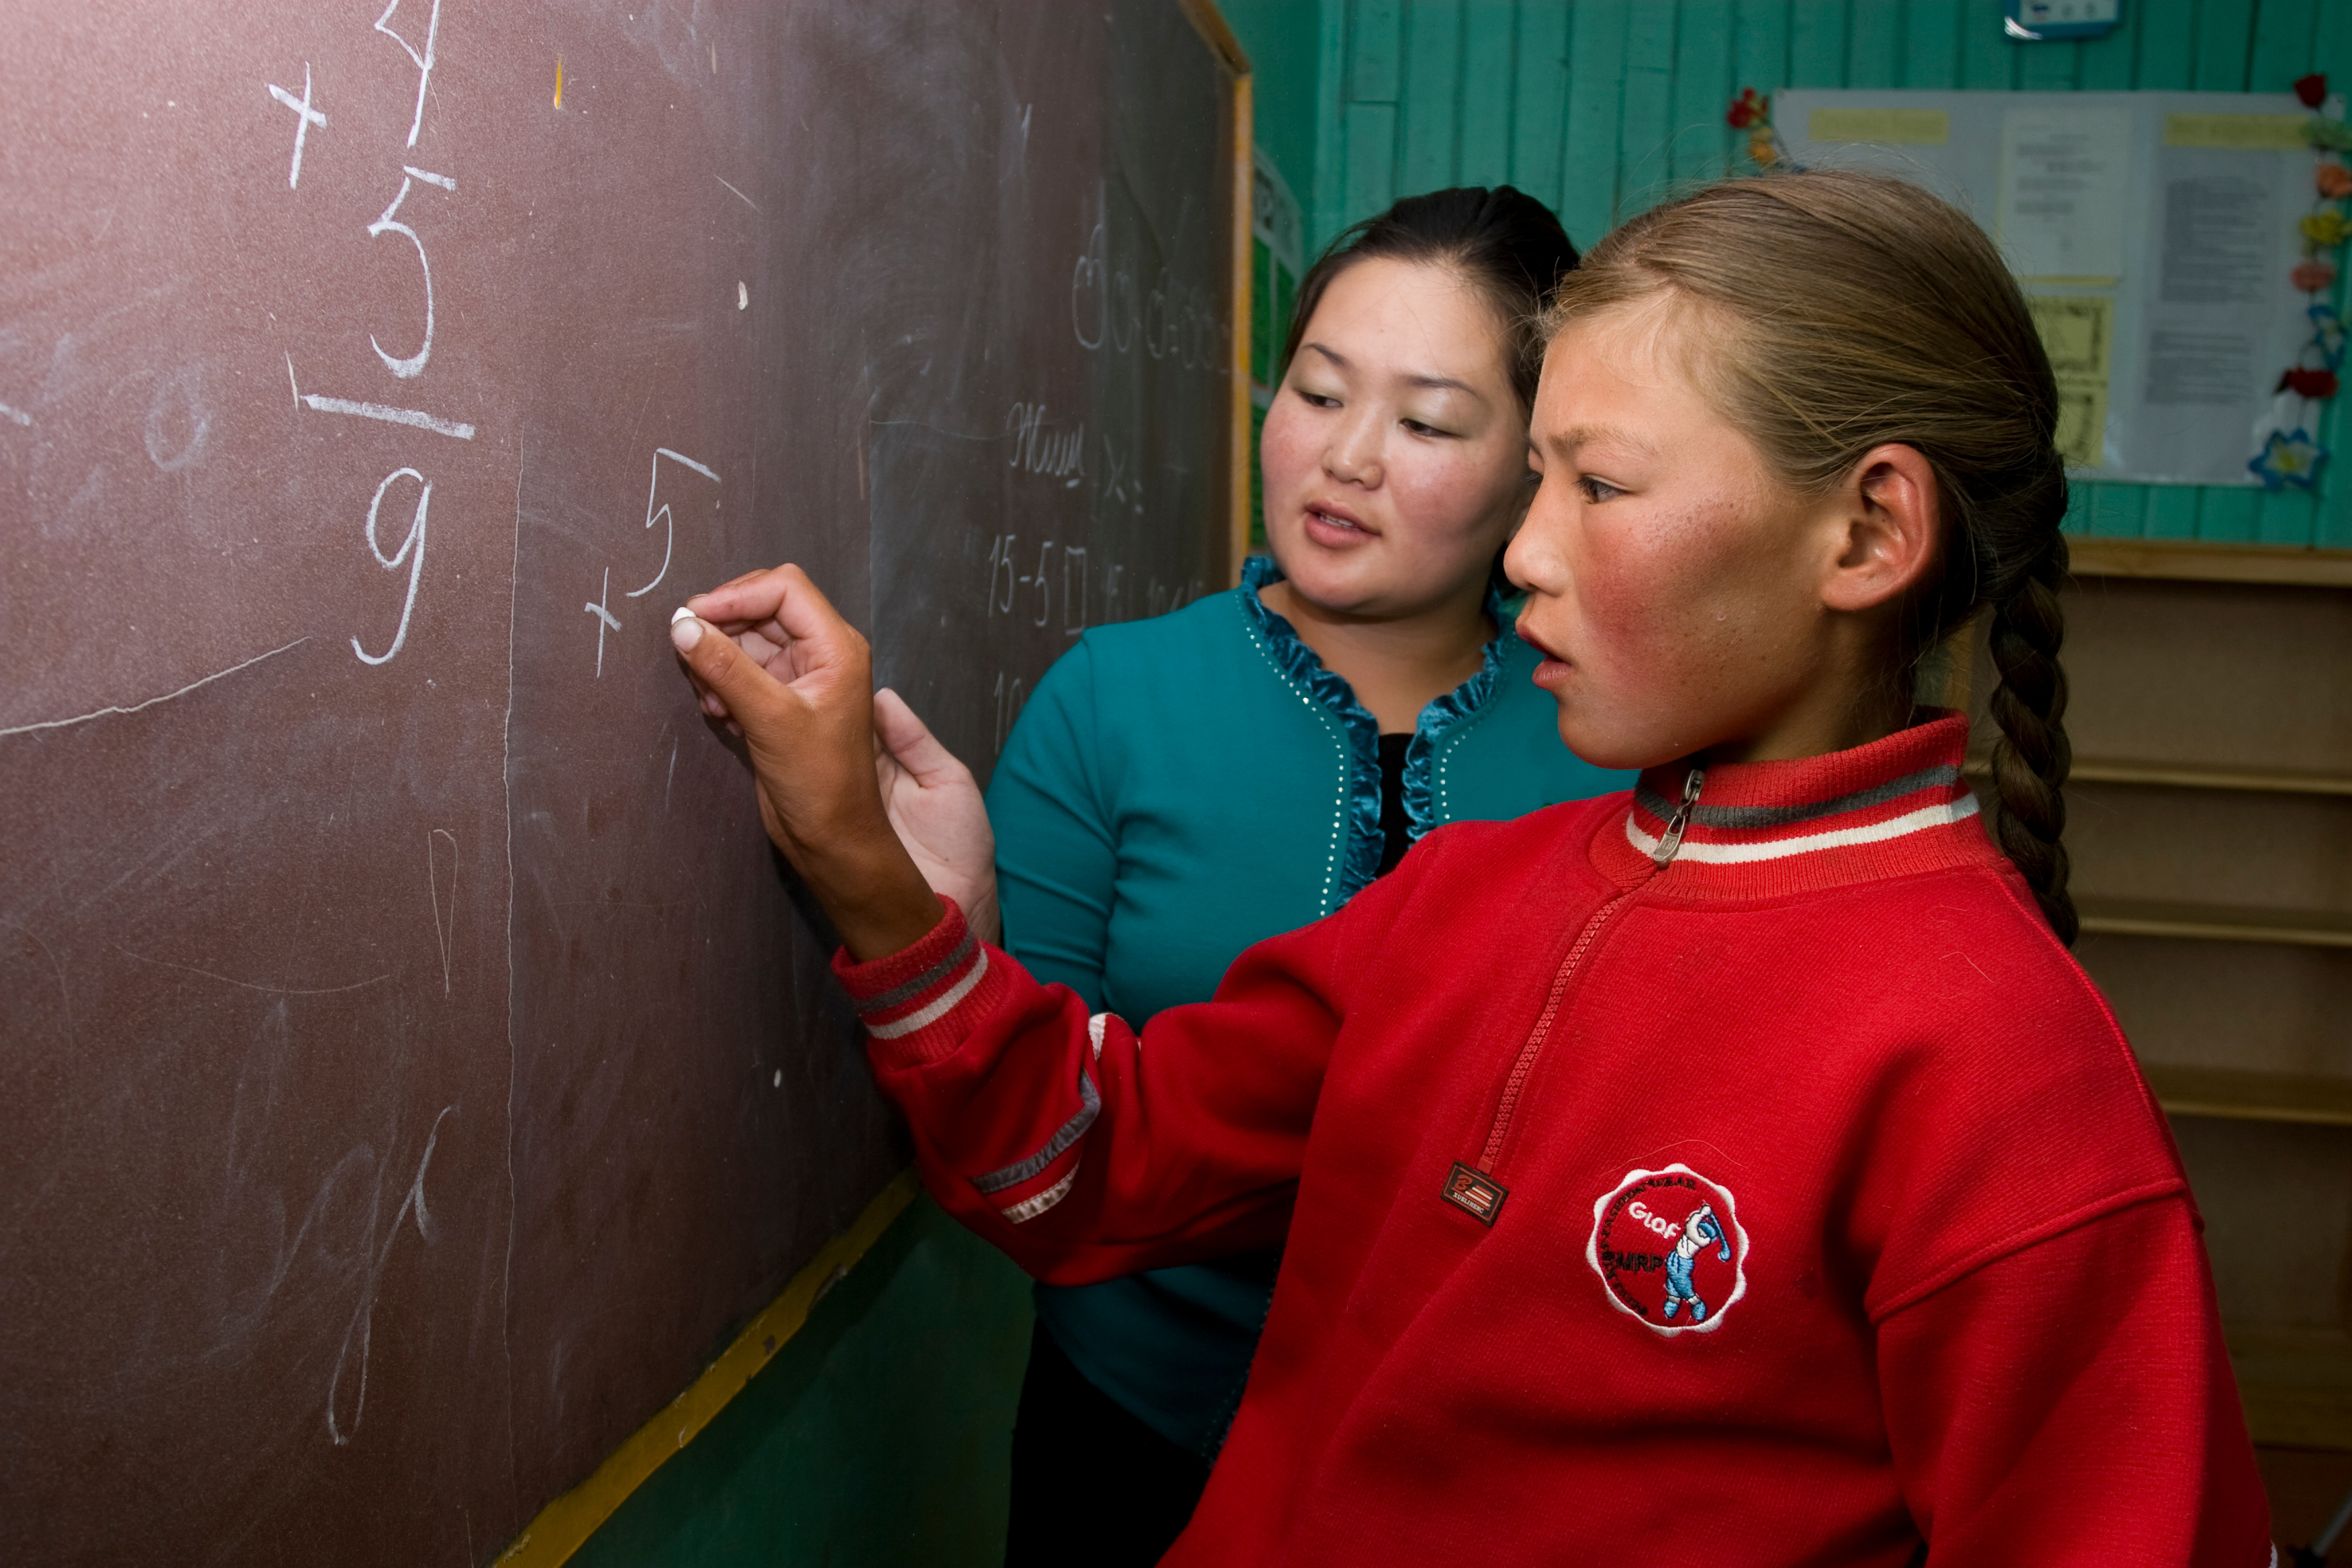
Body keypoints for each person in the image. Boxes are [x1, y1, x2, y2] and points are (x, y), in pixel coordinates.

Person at [668, 170, 2273, 1563]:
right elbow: (1089, 1169)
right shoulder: (1472, 897)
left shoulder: (1996, 1061)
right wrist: (876, 878)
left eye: (1598, 485)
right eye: (1543, 476)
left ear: (1864, 536)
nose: (1524, 551)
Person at [982, 187, 1624, 1563]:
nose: (1346, 457)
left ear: (1537, 466)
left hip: (1493, 1464)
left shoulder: (1611, 743)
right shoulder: (1110, 705)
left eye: (1431, 423)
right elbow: (1014, 1109)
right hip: (1133, 1435)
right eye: (1318, 392)